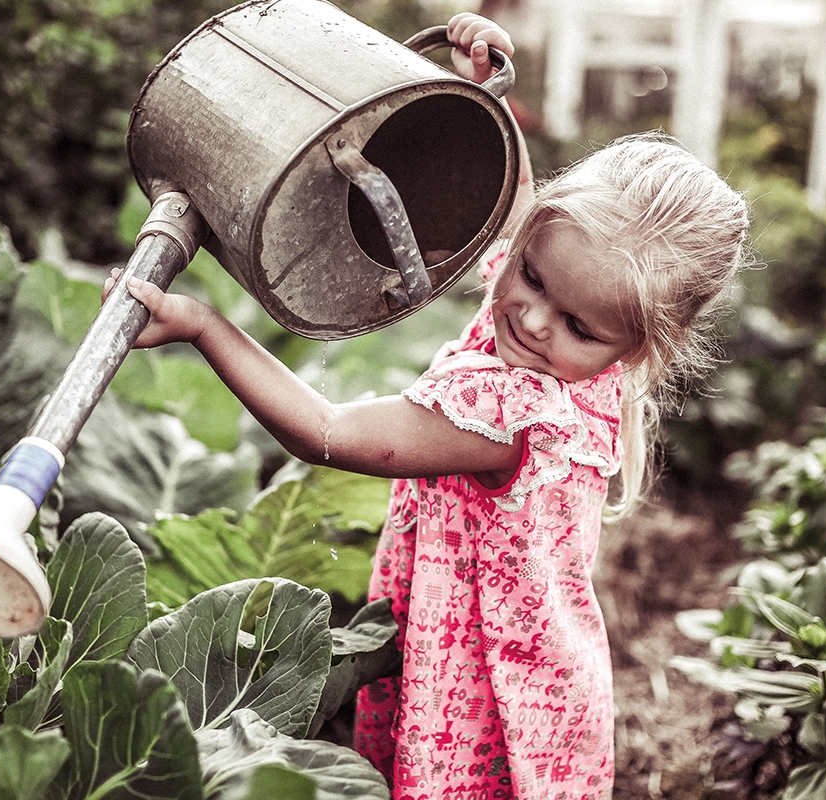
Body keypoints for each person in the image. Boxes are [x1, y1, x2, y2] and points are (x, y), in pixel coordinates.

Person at [104, 13, 750, 798]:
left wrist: (205, 326)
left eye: (577, 325)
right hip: (542, 684)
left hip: (475, 700)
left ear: (639, 348)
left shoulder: (511, 412)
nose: (533, 318)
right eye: (532, 275)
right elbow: (513, 206)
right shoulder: (583, 348)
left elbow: (327, 432)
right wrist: (482, 98)